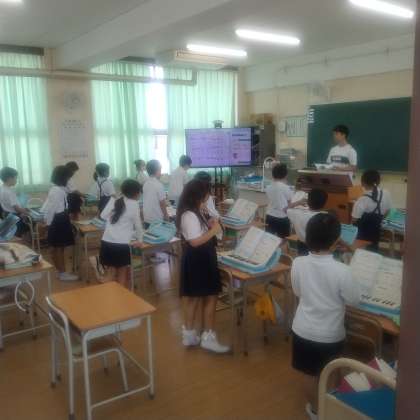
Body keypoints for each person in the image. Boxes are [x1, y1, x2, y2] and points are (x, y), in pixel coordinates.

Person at [291, 213, 360, 419]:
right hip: (330, 334)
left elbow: (297, 292)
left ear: (308, 237)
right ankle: (334, 406)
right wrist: (349, 255)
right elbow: (353, 300)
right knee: (333, 369)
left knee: (308, 373)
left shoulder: (298, 263)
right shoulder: (342, 271)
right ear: (336, 241)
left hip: (302, 330)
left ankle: (315, 410)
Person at [176, 179, 229, 353]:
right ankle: (208, 338)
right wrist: (213, 230)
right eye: (207, 193)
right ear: (200, 195)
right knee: (209, 297)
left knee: (195, 297)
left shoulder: (196, 211)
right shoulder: (189, 215)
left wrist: (211, 224)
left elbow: (201, 234)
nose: (209, 196)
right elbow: (195, 241)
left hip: (200, 257)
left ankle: (190, 335)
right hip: (199, 258)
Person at [99, 179, 144, 289]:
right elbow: (138, 225)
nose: (140, 194)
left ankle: (107, 297)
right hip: (121, 245)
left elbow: (102, 216)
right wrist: (140, 241)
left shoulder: (115, 200)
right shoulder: (134, 204)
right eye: (139, 192)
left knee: (110, 274)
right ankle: (120, 298)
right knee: (122, 274)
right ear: (135, 193)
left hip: (107, 242)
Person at [41, 166, 78, 282]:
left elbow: (48, 206)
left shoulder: (58, 189)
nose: (69, 180)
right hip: (59, 220)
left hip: (60, 219)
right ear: (63, 177)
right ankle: (62, 273)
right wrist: (48, 224)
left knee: (57, 248)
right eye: (68, 177)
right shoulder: (56, 191)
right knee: (59, 248)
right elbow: (51, 209)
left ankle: (60, 271)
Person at [352, 170, 391, 250]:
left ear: (362, 183)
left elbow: (354, 220)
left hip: (362, 234)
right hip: (376, 232)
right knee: (373, 248)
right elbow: (388, 211)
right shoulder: (386, 193)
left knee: (362, 251)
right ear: (379, 181)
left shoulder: (362, 200)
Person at [266, 164, 305, 239]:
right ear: (286, 175)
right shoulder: (285, 187)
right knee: (284, 240)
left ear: (273, 174)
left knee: (269, 240)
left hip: (269, 216)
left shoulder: (268, 187)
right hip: (282, 218)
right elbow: (288, 206)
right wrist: (300, 202)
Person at [287, 189, 328, 256]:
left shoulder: (296, 214)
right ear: (324, 204)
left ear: (308, 202)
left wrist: (299, 202)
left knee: (302, 260)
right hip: (318, 247)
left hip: (302, 244)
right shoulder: (327, 218)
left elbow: (285, 209)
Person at [0, 167, 30, 237]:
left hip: (7, 216)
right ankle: (28, 239)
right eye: (16, 178)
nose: (16, 180)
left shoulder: (2, 189)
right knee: (32, 220)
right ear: (10, 178)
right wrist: (27, 213)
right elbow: (16, 208)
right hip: (15, 218)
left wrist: (23, 210)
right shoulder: (10, 192)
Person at [142, 160, 169, 228]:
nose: (161, 173)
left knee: (149, 233)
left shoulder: (146, 183)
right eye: (160, 170)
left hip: (147, 217)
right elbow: (162, 203)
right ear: (157, 171)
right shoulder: (159, 185)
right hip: (156, 219)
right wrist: (166, 215)